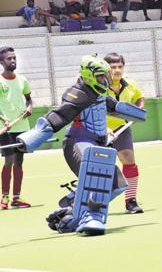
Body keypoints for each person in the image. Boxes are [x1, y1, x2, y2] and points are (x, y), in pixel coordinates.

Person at [16, 55, 146, 235]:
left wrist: (136, 113)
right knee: (97, 169)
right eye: (102, 76)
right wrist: (32, 138)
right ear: (89, 75)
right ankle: (91, 217)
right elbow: (58, 116)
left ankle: (72, 212)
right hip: (78, 142)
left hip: (96, 143)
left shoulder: (99, 92)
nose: (106, 80)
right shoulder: (78, 93)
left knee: (117, 183)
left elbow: (115, 107)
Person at [104, 53, 144, 213]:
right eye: (113, 67)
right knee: (101, 167)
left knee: (129, 161)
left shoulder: (131, 84)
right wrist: (104, 130)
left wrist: (139, 109)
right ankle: (96, 203)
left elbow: (139, 98)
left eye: (120, 67)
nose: (117, 70)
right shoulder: (99, 87)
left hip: (122, 129)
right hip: (100, 130)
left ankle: (131, 201)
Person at [0, 47, 33, 210]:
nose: (12, 61)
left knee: (19, 162)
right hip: (6, 129)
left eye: (14, 58)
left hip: (23, 127)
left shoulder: (22, 80)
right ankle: (4, 198)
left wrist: (30, 108)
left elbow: (29, 99)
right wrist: (3, 118)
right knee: (9, 161)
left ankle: (16, 198)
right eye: (8, 59)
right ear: (1, 62)